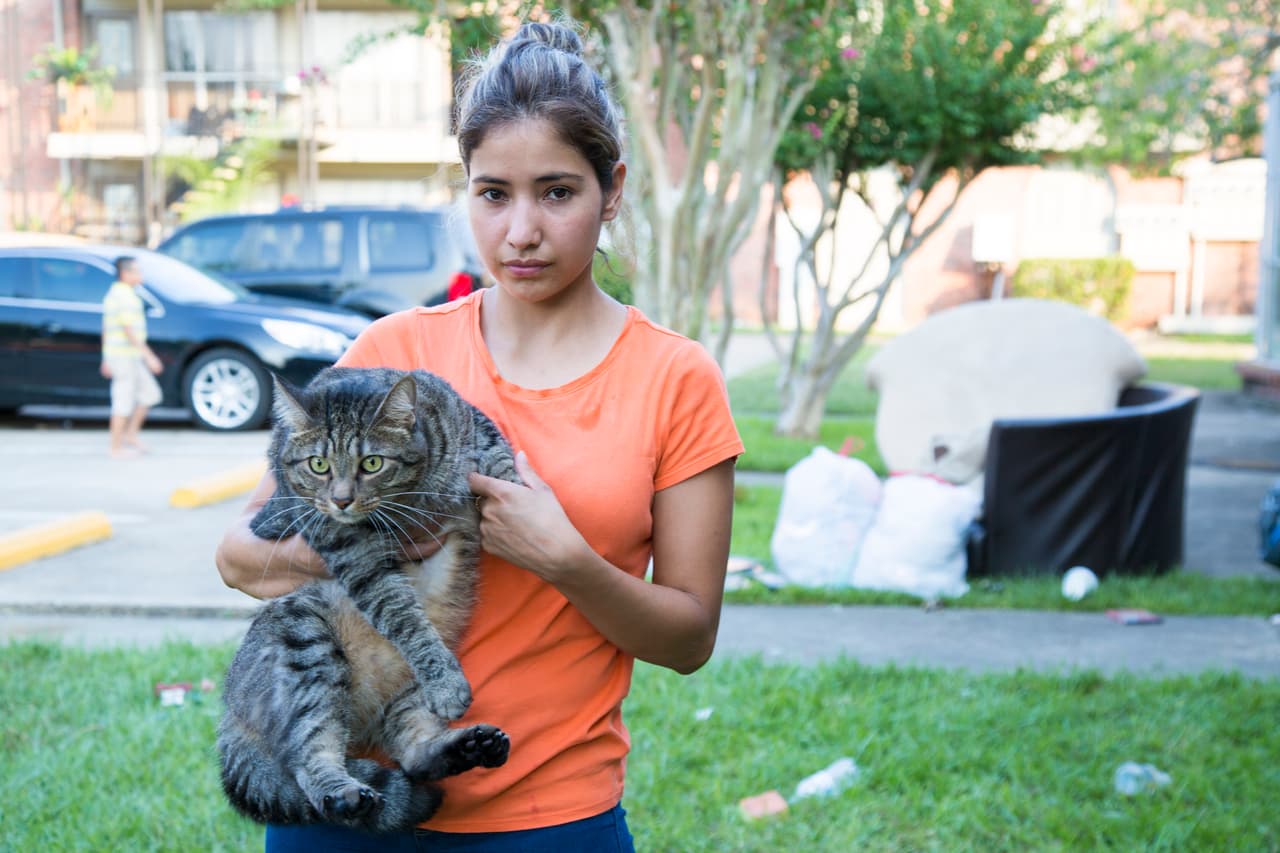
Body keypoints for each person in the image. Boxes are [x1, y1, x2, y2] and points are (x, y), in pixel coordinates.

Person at [215, 19, 743, 852]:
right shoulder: (392, 354)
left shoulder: (675, 379)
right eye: (493, 193)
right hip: (351, 801)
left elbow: (688, 638)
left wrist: (563, 557)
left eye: (558, 192)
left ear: (614, 189)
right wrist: (381, 534)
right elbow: (240, 556)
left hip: (550, 815)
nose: (520, 231)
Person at [100, 255, 163, 458]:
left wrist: (104, 357)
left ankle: (130, 435)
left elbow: (106, 329)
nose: (140, 275)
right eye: (137, 271)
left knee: (150, 394)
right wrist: (150, 356)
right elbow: (128, 330)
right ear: (125, 274)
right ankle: (115, 448)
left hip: (128, 356)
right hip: (123, 357)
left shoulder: (120, 294)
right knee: (123, 400)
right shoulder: (124, 297)